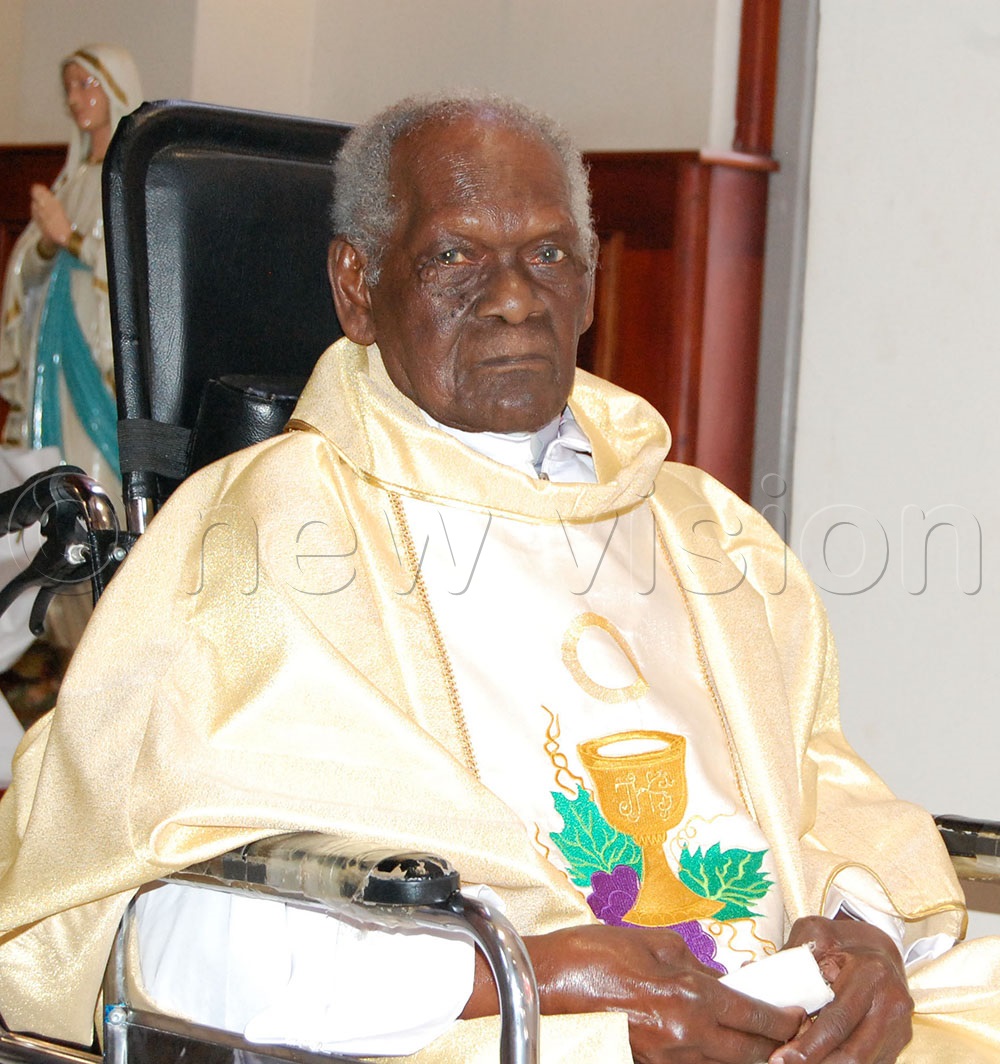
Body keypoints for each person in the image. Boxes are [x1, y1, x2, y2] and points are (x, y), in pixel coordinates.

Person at [1, 93, 999, 1063]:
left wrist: (867, 938)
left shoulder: (708, 531)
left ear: (592, 283)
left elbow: (832, 804)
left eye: (548, 254)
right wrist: (536, 976)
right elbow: (167, 934)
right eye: (454, 254)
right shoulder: (253, 534)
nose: (516, 294)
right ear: (356, 286)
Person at [0, 44, 142, 491]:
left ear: (117, 89)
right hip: (55, 339)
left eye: (86, 85)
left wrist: (69, 239)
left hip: (97, 347)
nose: (75, 99)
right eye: (69, 89)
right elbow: (29, 271)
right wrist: (45, 244)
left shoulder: (128, 178)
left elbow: (131, 262)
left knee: (95, 465)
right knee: (54, 458)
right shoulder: (73, 179)